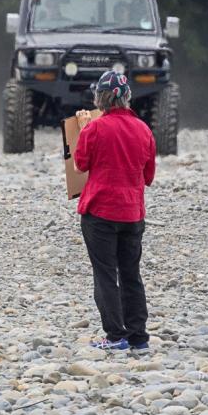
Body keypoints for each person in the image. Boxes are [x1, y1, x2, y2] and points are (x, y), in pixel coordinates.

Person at [74, 71, 156, 352]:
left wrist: (83, 128)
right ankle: (139, 337)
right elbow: (148, 176)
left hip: (100, 211)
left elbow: (80, 165)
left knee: (106, 274)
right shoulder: (144, 129)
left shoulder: (95, 129)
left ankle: (115, 336)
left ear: (100, 99)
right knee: (131, 274)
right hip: (133, 213)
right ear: (127, 97)